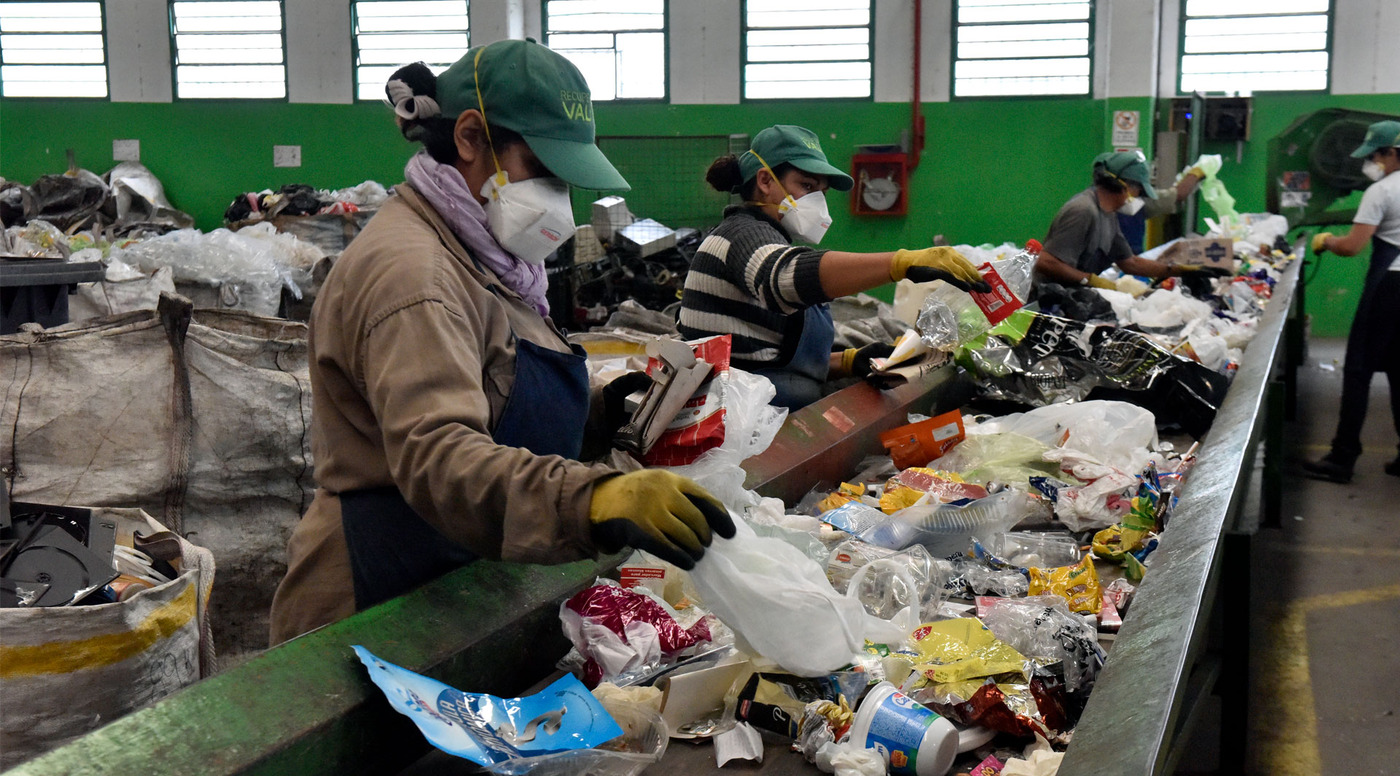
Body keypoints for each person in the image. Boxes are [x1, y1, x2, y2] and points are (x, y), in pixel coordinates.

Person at [269, 40, 733, 645]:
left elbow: (496, 385)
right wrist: (595, 499)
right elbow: (441, 458)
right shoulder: (417, 276)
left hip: (455, 573)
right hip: (380, 597)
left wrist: (609, 407)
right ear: (469, 138)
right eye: (543, 171)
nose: (559, 203)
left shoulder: (486, 256)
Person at [676, 124, 990, 410]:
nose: (817, 201)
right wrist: (900, 263)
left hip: (766, 400)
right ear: (765, 181)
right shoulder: (743, 234)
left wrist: (849, 361)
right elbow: (782, 279)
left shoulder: (767, 237)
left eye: (821, 192)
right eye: (806, 185)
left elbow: (767, 354)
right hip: (734, 417)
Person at [1301, 120, 1400, 484]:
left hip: (1390, 287)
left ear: (1391, 152)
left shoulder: (1383, 190)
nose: (1371, 162)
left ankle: (1342, 458)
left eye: (1375, 154)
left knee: (1358, 370)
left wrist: (1326, 239)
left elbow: (1352, 246)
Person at [1035, 151, 1229, 291]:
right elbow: (1046, 262)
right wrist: (1091, 281)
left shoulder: (1109, 214)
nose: (1138, 199)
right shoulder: (1083, 211)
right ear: (1124, 186)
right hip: (1043, 300)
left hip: (1068, 294)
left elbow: (1131, 262)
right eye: (1139, 192)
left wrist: (1180, 270)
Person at [1117, 155, 1215, 254]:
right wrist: (1196, 173)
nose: (1137, 194)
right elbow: (1178, 194)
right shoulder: (1127, 206)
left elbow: (1175, 195)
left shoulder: (1137, 203)